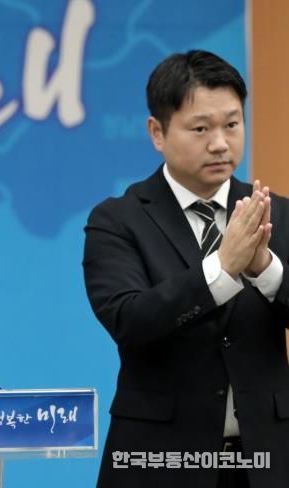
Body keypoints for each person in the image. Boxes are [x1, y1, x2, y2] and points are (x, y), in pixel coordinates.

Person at [83, 50, 289, 487]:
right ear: (157, 132)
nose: (220, 143)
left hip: (267, 461)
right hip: (161, 461)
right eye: (201, 129)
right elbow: (129, 319)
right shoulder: (118, 220)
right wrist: (222, 269)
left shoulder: (277, 214)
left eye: (232, 124)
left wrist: (265, 269)